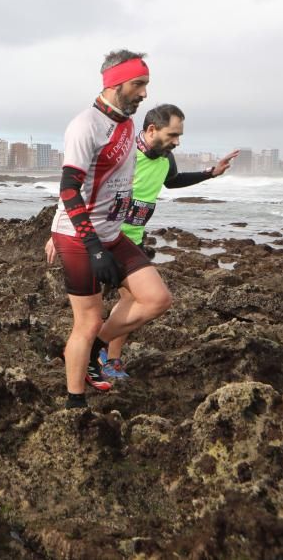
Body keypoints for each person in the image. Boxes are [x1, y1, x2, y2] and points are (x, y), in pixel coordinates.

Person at [46, 104, 239, 379]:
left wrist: (209, 173)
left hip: (132, 238)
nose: (177, 142)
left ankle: (109, 359)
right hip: (99, 235)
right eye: (172, 135)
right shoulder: (125, 153)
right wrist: (57, 234)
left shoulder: (166, 159)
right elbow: (80, 187)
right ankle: (88, 353)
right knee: (90, 313)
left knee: (131, 300)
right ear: (151, 130)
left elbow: (172, 181)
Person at [49, 49, 172, 409]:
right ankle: (75, 403)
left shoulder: (127, 123)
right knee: (87, 322)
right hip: (78, 236)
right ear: (114, 83)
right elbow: (69, 190)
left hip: (112, 233)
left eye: (146, 84)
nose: (145, 93)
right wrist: (94, 248)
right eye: (139, 84)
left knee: (157, 299)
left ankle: (94, 352)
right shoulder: (86, 125)